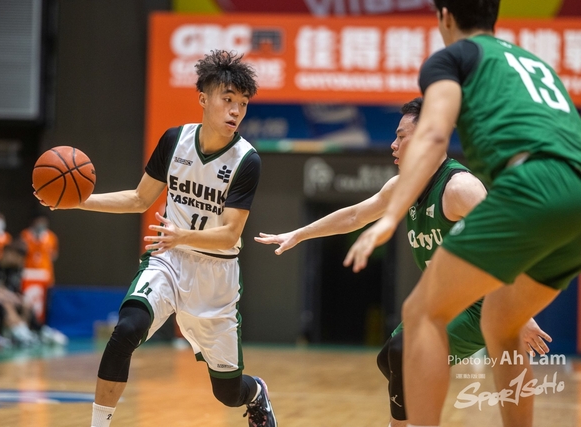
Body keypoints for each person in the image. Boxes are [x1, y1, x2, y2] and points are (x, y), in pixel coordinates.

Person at [343, 1, 581, 426]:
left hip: (531, 183)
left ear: (445, 16)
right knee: (503, 324)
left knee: (420, 315)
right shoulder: (533, 62)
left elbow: (434, 136)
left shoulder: (452, 58)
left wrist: (390, 218)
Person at [256, 98, 551, 427]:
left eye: (401, 136)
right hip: (441, 300)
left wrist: (520, 311)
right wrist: (299, 234)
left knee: (403, 354)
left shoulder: (460, 188)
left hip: (480, 306)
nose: (393, 145)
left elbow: (506, 242)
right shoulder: (403, 186)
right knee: (389, 359)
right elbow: (355, 215)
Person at [35, 50, 277, 427]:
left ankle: (256, 393)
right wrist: (77, 201)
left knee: (228, 393)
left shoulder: (247, 160)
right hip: (168, 260)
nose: (235, 111)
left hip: (215, 277)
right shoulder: (175, 141)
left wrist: (183, 235)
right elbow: (139, 199)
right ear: (203, 98)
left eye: (243, 104)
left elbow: (230, 234)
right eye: (228, 99)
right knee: (127, 329)